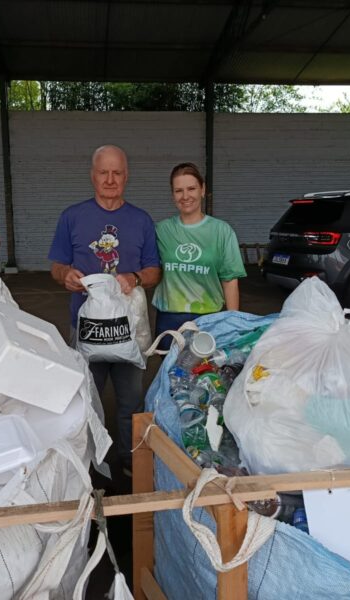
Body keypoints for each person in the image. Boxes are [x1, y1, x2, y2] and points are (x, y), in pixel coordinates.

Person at [48, 145, 161, 476]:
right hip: (86, 329)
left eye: (117, 173)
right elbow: (56, 266)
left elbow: (154, 271)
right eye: (103, 172)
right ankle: (87, 466)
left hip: (128, 329)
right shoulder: (72, 217)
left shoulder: (141, 220)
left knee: (131, 403)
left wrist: (135, 277)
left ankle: (130, 463)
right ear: (92, 175)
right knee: (84, 402)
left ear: (126, 176)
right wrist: (65, 275)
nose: (110, 179)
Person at [152, 162, 246, 347]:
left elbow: (229, 280)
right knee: (170, 366)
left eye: (191, 188)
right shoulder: (161, 230)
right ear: (172, 195)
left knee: (206, 366)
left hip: (209, 318)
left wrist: (232, 322)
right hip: (169, 319)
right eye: (179, 191)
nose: (185, 196)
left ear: (202, 190)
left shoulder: (221, 231)